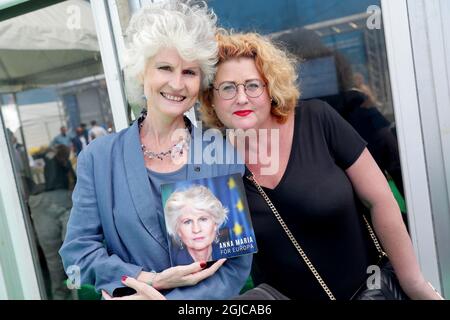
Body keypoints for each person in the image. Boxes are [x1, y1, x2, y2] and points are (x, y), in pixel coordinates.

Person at [199, 31, 443, 300]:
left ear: (271, 89)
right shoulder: (214, 163)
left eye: (253, 85)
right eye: (228, 88)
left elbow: (380, 200)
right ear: (212, 99)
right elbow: (217, 258)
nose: (241, 98)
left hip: (371, 294)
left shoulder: (317, 120)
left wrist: (415, 284)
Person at [59, 1, 251, 300]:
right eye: (165, 67)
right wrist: (149, 281)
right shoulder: (98, 158)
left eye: (189, 72)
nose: (177, 83)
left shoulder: (221, 153)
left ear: (201, 81)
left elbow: (235, 266)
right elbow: (76, 256)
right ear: (141, 73)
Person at [29, 144, 75, 300]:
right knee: (73, 254)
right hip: (65, 200)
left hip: (42, 204)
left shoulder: (47, 158)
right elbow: (70, 179)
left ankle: (59, 294)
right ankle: (77, 291)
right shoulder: (60, 160)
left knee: (53, 258)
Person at [165, 185, 228, 264]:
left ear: (215, 224)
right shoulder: (171, 262)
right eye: (187, 222)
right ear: (178, 230)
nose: (196, 229)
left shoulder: (229, 255)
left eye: (203, 219)